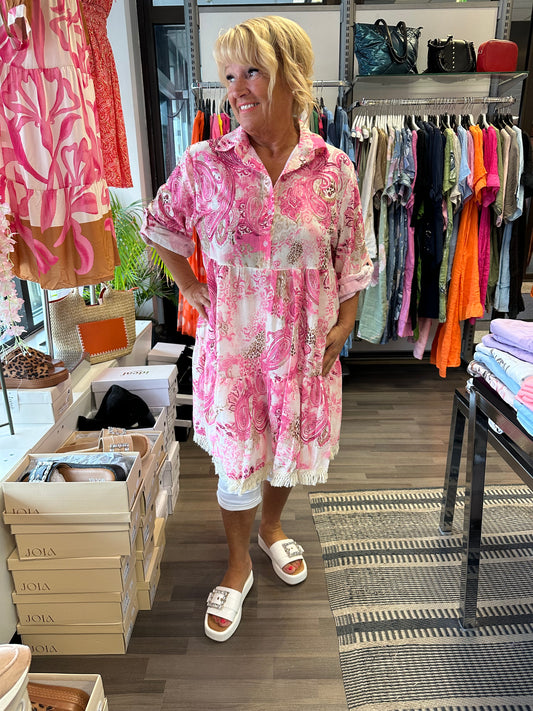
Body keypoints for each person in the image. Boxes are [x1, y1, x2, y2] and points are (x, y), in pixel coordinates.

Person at [141, 15, 373, 642]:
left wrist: (346, 322)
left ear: (290, 75)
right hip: (235, 348)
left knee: (283, 450)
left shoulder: (334, 169)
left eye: (252, 71)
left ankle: (272, 528)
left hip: (303, 345)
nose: (237, 88)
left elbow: (353, 256)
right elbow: (159, 225)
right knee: (238, 459)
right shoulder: (205, 163)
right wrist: (189, 285)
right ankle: (237, 561)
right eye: (228, 76)